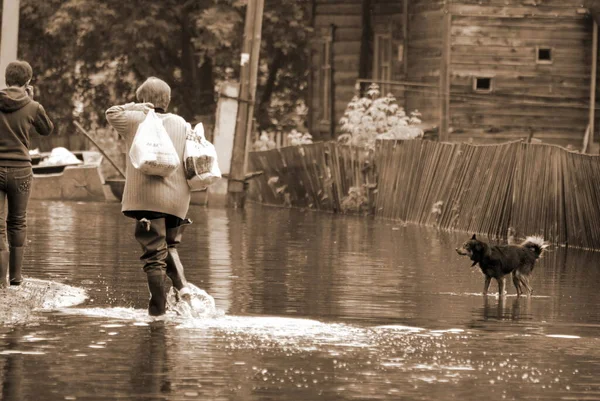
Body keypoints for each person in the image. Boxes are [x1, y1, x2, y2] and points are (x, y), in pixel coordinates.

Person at [106, 77, 192, 316]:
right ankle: (182, 287)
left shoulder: (135, 119)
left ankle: (157, 313)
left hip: (147, 200)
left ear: (143, 100)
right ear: (168, 100)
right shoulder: (181, 123)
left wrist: (135, 106)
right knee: (169, 247)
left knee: (154, 256)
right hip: (178, 201)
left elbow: (111, 112)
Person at [0, 60, 54, 288]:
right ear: (28, 81)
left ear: (5, 78)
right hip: (21, 170)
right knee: (18, 222)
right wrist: (31, 100)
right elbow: (47, 129)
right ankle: (16, 279)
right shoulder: (33, 106)